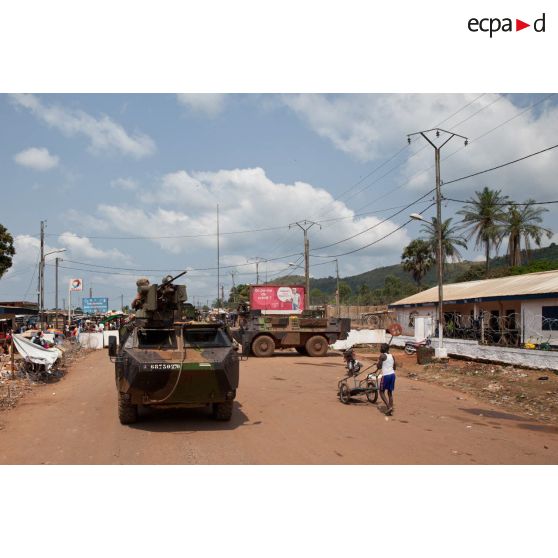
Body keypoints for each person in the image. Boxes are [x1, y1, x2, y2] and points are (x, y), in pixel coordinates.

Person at [376, 343, 396, 415]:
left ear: (383, 349)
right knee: (390, 392)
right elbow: (395, 367)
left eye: (381, 347)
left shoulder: (382, 356)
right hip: (392, 375)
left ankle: (388, 407)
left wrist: (378, 363)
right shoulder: (392, 356)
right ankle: (390, 407)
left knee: (381, 391)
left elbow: (379, 367)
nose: (380, 349)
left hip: (386, 376)